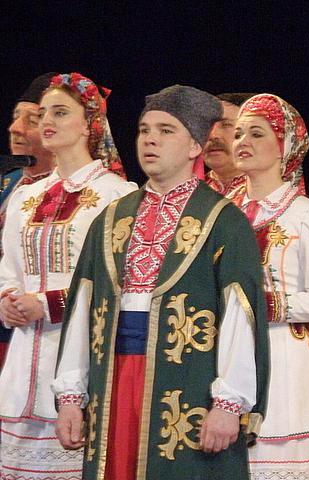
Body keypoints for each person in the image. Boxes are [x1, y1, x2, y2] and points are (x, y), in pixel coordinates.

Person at [53, 85, 269, 480]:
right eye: (144, 130)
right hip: (113, 381)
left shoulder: (224, 222)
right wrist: (70, 396)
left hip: (188, 384)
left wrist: (229, 403)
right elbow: (83, 309)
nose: (150, 139)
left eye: (166, 130)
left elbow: (241, 315)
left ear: (194, 147)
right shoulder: (111, 219)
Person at [0, 72, 136, 480]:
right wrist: (7, 300)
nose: (47, 121)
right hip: (22, 360)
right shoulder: (26, 196)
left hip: (81, 355)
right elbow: (9, 267)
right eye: (43, 113)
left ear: (89, 123)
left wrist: (46, 304)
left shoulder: (117, 195)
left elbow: (121, 280)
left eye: (60, 112)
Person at [230, 93, 309, 479]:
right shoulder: (221, 215)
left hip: (286, 365)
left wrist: (270, 305)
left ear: (286, 146)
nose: (243, 141)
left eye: (257, 133)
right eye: (238, 133)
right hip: (225, 360)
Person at [0, 72, 58, 366]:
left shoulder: (84, 195)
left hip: (43, 333)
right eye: (15, 117)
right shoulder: (8, 182)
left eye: (31, 120)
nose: (15, 128)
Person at [204, 92, 255, 196]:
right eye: (207, 126)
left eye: (226, 125)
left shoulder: (279, 194)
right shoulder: (186, 196)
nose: (213, 135)